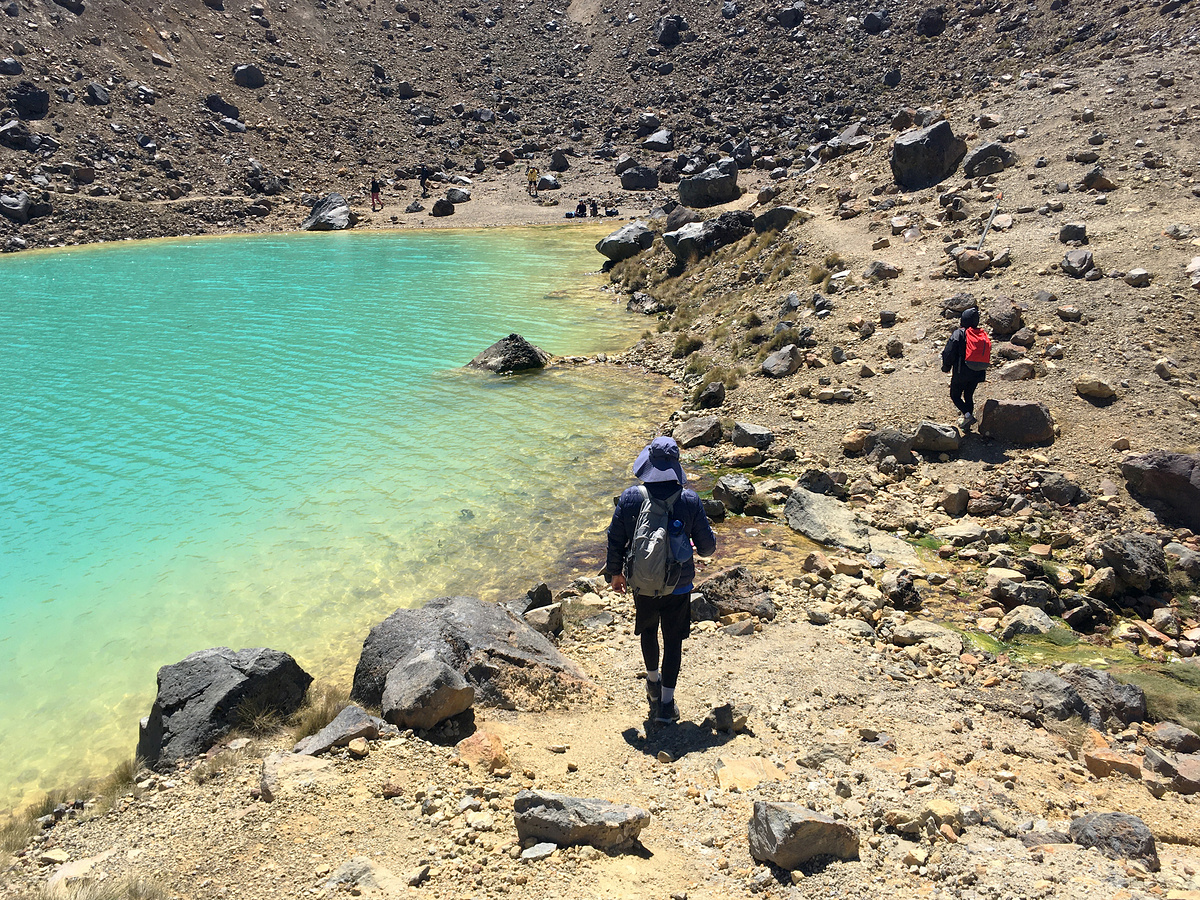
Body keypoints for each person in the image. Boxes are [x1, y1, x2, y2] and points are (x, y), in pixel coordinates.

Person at [605, 436, 716, 724]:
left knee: (648, 632)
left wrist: (616, 572)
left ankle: (652, 685)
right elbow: (707, 549)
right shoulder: (689, 500)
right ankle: (666, 705)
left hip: (643, 584)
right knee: (673, 641)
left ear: (648, 464)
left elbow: (615, 538)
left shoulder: (631, 497)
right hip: (678, 586)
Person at [941, 306, 988, 430]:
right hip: (978, 371)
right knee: (968, 395)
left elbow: (949, 352)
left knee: (955, 395)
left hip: (961, 371)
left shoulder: (959, 333)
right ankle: (967, 424)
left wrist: (946, 366)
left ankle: (968, 416)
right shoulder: (980, 335)